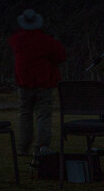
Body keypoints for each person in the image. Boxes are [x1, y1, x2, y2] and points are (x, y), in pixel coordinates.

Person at [8, 9, 66, 157]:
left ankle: (23, 147)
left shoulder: (17, 40)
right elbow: (60, 56)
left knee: (25, 114)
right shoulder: (46, 41)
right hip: (43, 84)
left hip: (24, 83)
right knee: (43, 115)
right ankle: (42, 147)